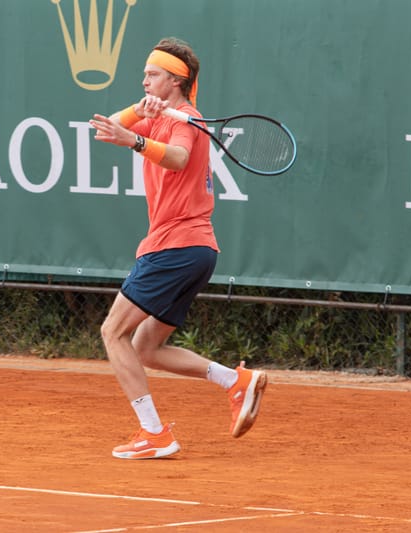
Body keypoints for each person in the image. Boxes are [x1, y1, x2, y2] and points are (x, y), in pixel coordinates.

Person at [89, 37, 267, 459]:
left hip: (175, 245)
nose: (144, 80)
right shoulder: (164, 115)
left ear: (174, 80)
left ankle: (154, 433)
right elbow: (106, 124)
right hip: (194, 249)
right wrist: (140, 110)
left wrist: (135, 141)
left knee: (113, 332)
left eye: (151, 75)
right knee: (146, 348)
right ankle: (234, 382)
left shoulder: (186, 119)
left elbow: (177, 158)